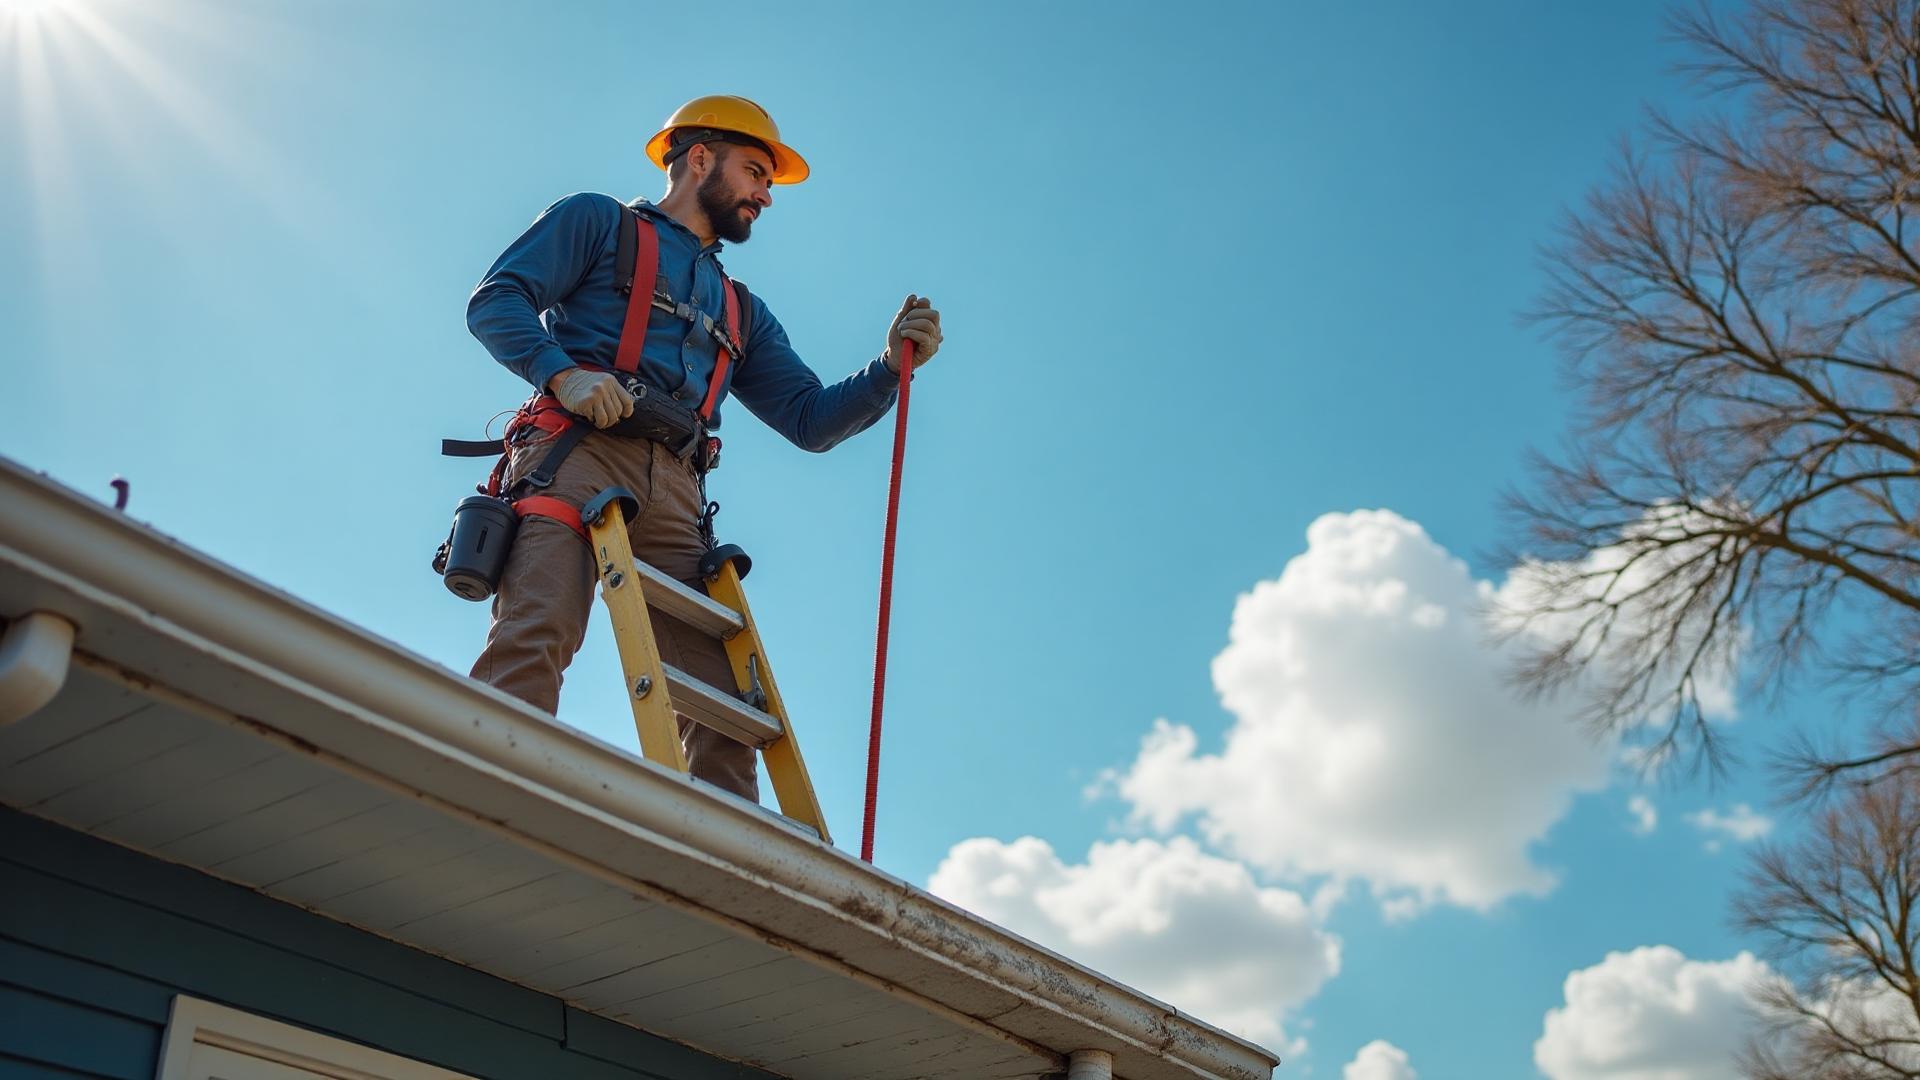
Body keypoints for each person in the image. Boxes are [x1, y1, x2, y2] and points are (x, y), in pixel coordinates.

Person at [463, 94, 943, 800]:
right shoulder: (600, 223)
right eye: (756, 172)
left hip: (679, 494)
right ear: (698, 158)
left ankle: (729, 865)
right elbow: (496, 299)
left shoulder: (740, 307)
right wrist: (565, 375)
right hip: (578, 453)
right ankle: (486, 798)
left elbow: (810, 419)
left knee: (721, 704)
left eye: (769, 182)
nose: (765, 195)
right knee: (539, 633)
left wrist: (888, 369)